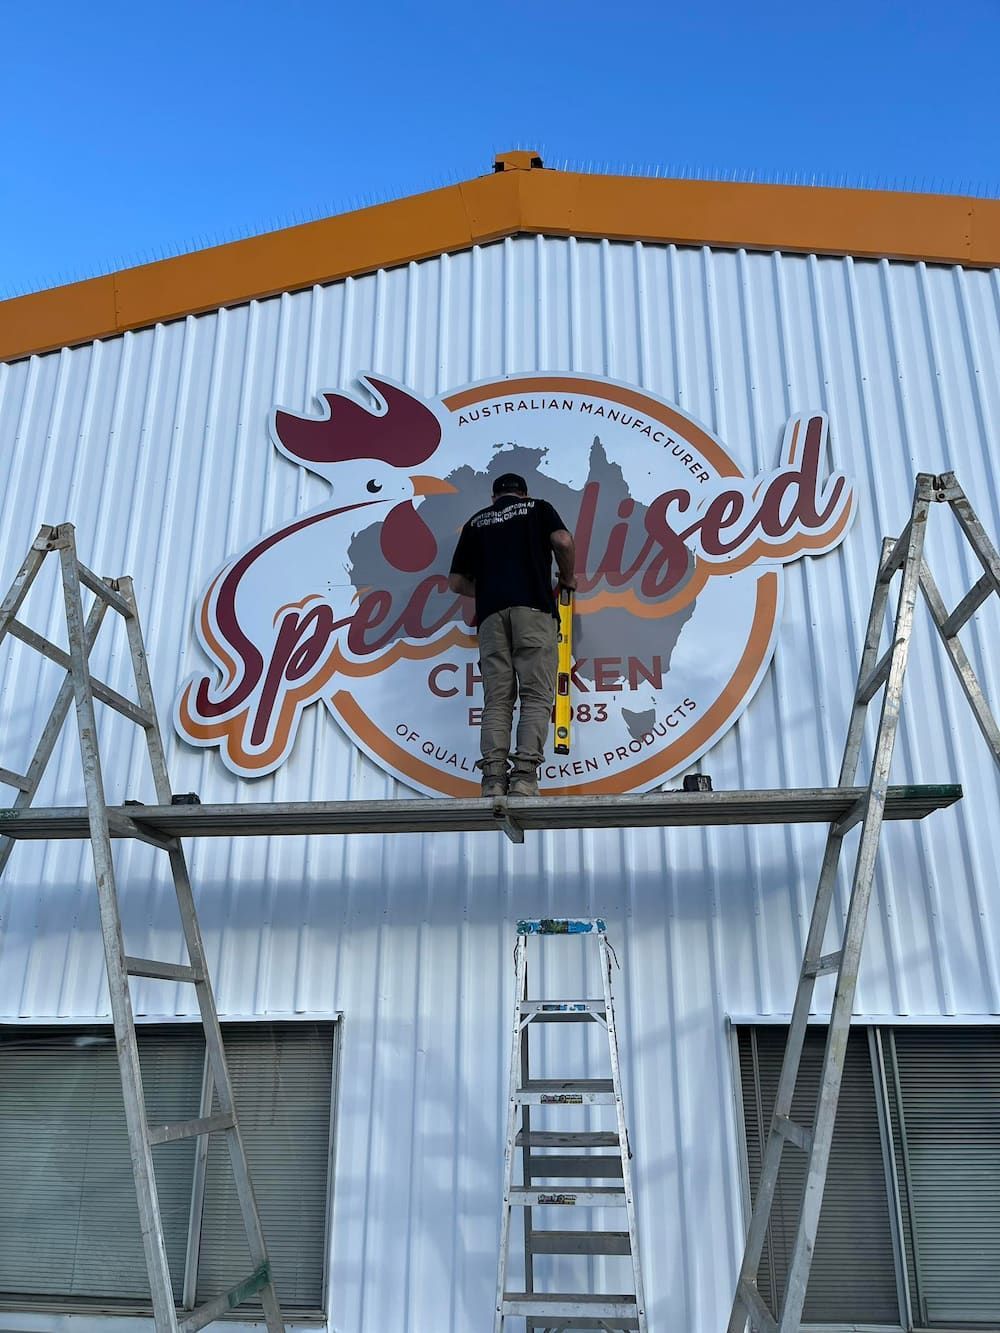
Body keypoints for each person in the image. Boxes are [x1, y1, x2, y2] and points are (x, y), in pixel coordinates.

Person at [448, 473, 576, 797]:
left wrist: (489, 589)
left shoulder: (476, 522)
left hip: (491, 618)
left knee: (497, 700)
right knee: (535, 696)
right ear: (524, 493)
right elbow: (562, 540)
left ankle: (492, 780)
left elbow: (456, 583)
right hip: (533, 611)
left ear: (494, 498)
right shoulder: (538, 508)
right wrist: (568, 577)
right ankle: (523, 778)